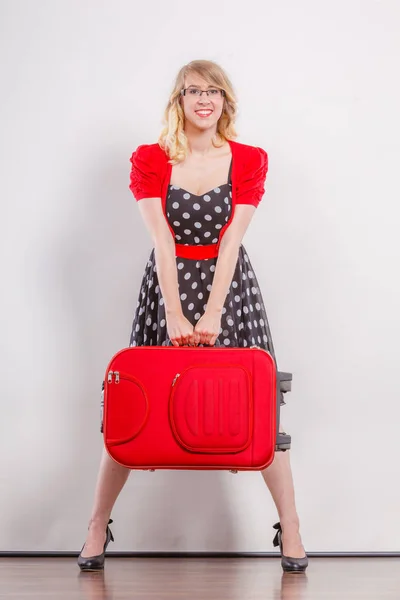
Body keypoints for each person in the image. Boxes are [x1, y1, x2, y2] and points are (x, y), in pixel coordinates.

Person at [78, 59, 308, 573]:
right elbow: (162, 240)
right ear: (178, 101)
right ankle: (97, 524)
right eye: (193, 91)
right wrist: (177, 313)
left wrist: (214, 310)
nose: (205, 100)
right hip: (167, 289)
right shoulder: (150, 159)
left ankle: (290, 527)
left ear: (226, 101)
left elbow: (231, 241)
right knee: (134, 406)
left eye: (214, 91)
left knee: (261, 410)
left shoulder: (249, 159)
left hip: (231, 290)